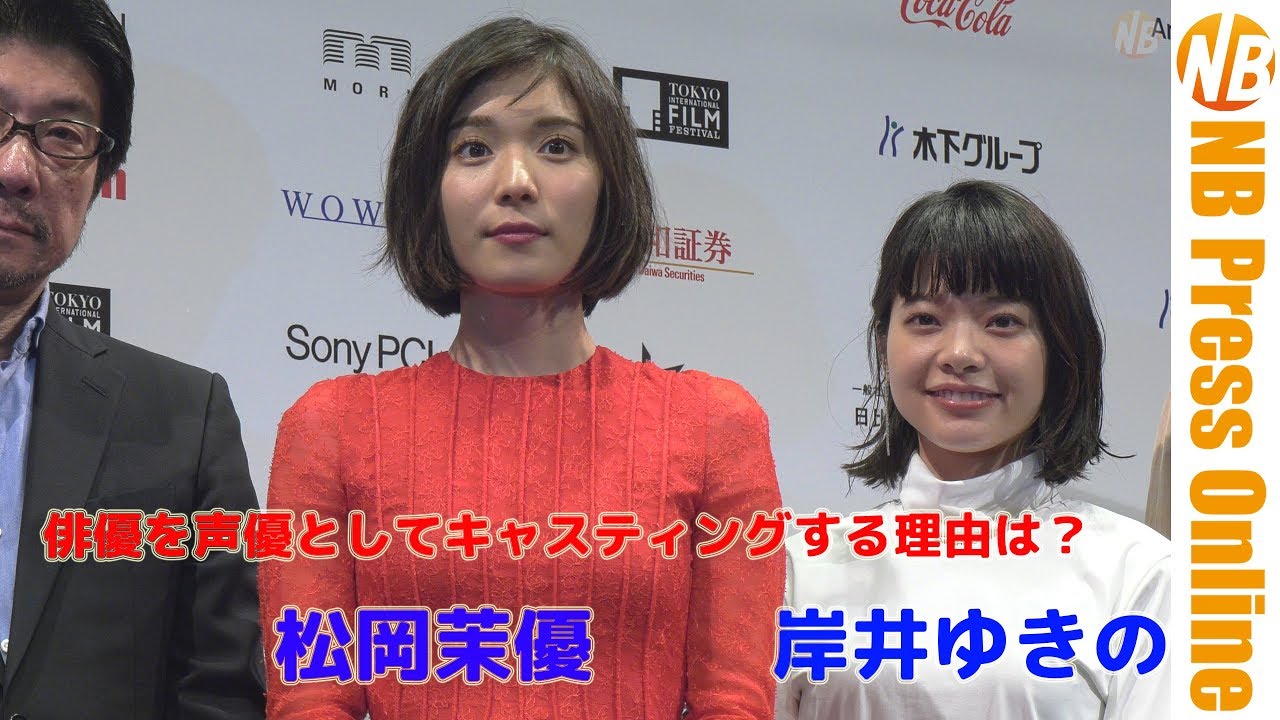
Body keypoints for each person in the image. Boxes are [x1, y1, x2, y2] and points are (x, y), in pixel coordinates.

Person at [260, 16, 784, 720]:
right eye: (473, 149)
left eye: (557, 146)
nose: (516, 182)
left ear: (609, 186)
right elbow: (311, 697)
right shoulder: (332, 427)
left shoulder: (714, 426)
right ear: (427, 189)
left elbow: (734, 702)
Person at [776, 180, 1170, 719]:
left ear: (1060, 349)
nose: (960, 353)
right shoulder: (803, 566)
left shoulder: (1136, 571)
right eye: (925, 319)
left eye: (1002, 321)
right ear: (884, 341)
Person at [0, 0, 265, 717]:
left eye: (62, 134)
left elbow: (222, 691)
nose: (17, 168)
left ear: (100, 177)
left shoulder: (184, 418)